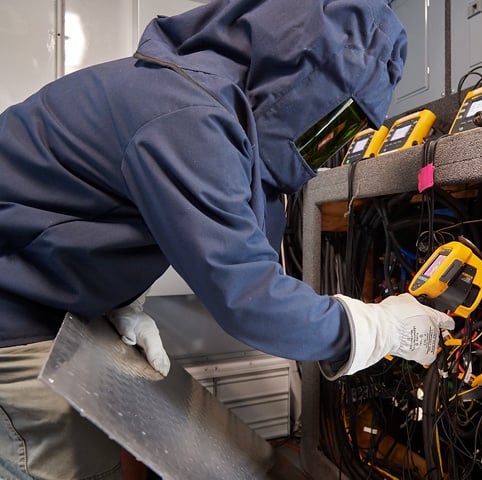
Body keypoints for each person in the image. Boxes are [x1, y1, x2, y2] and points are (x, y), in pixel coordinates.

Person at [0, 0, 454, 478]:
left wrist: (121, 302)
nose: (328, 147)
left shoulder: (194, 95)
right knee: (77, 463)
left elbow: (86, 206)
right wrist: (380, 329)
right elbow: (250, 297)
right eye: (332, 122)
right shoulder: (190, 116)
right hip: (14, 318)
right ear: (302, 80)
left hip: (44, 302)